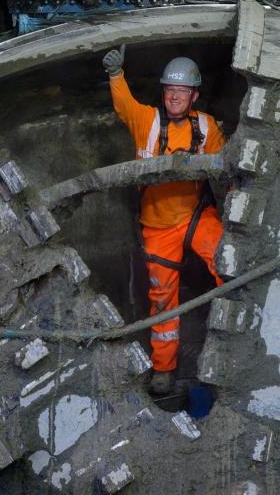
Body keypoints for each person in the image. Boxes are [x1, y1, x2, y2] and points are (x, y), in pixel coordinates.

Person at [102, 46, 226, 395]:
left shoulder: (206, 127)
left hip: (196, 216)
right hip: (157, 225)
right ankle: (164, 369)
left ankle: (233, 348)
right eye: (170, 90)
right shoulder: (148, 122)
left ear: (194, 96)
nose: (174, 96)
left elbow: (227, 166)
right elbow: (124, 104)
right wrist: (115, 74)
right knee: (162, 298)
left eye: (182, 91)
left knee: (229, 266)